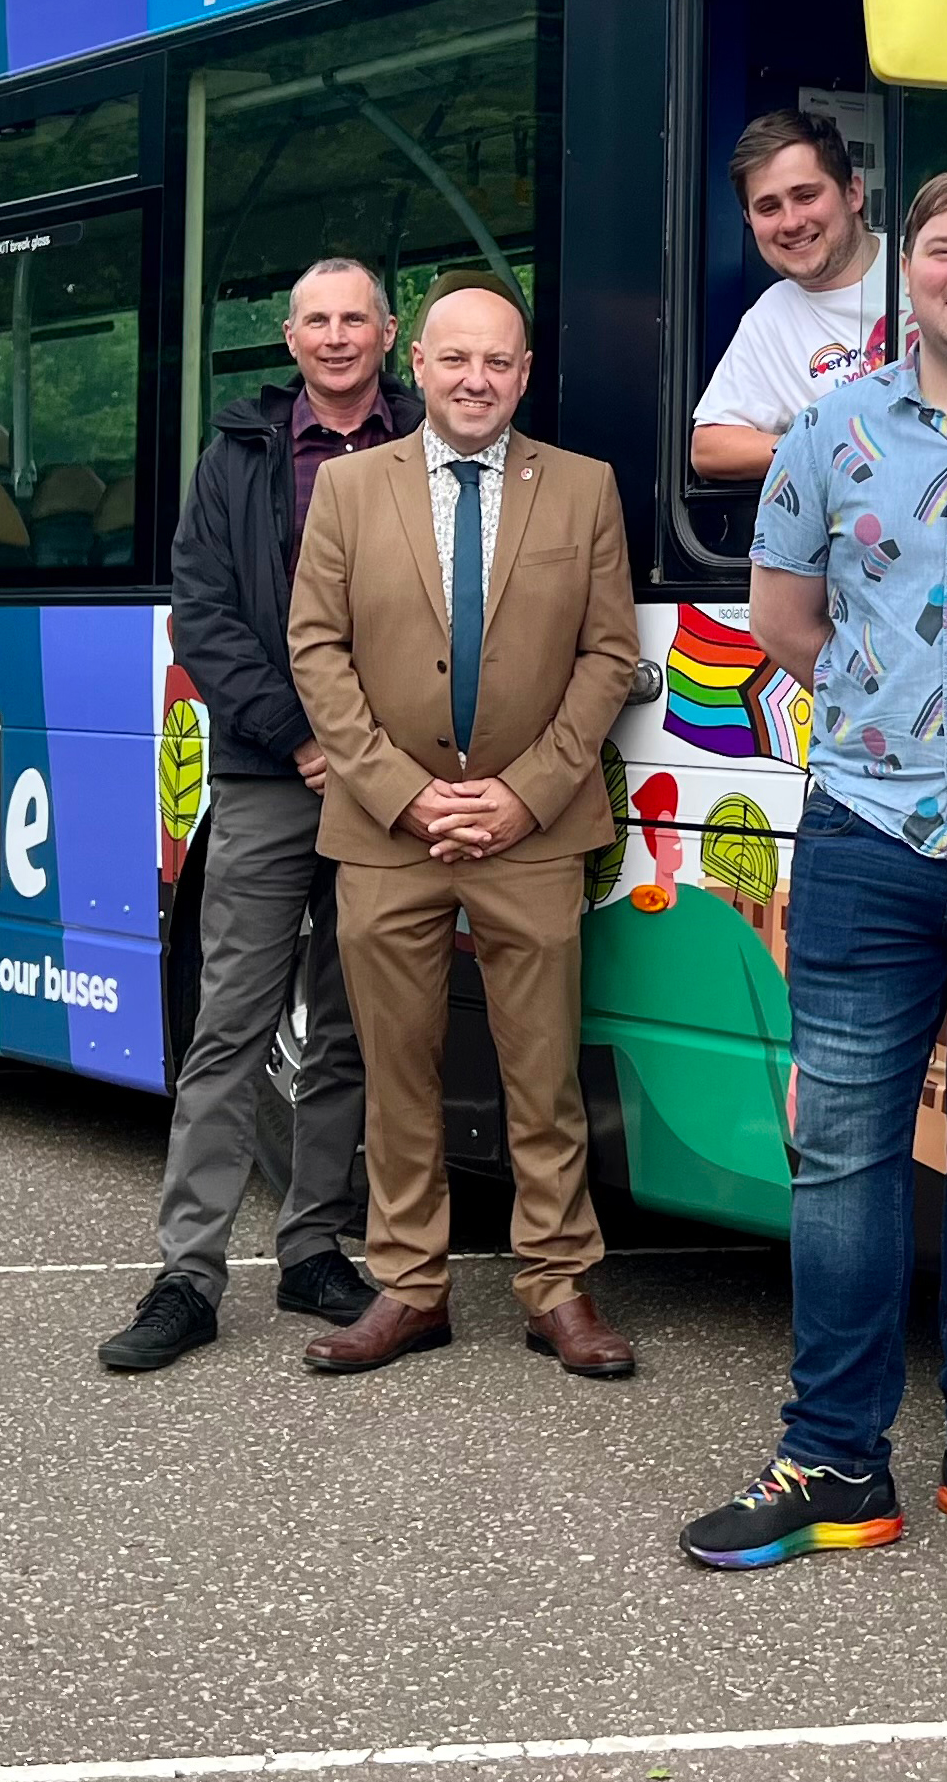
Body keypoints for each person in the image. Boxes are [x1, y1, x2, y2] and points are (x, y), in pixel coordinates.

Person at [681, 168, 947, 1572]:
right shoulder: (829, 425)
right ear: (906, 269)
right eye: (943, 248)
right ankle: (832, 1459)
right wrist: (891, 715)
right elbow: (784, 616)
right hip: (866, 833)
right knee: (841, 1155)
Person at [288, 272, 643, 1377]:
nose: (476, 379)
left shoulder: (584, 489)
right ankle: (410, 1286)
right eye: (454, 359)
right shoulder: (349, 491)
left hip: (532, 830)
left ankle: (556, 1287)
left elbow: (607, 656)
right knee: (398, 1076)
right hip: (386, 830)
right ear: (419, 367)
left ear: (524, 374)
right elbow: (317, 650)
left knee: (541, 1076)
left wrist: (524, 792)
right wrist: (402, 790)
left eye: (498, 360)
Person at [100, 258, 421, 1375]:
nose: (336, 338)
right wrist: (303, 738)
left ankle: (313, 1248)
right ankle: (188, 1274)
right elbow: (205, 616)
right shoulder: (236, 457)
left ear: (388, 333)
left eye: (355, 320)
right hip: (269, 771)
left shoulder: (429, 442)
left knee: (347, 1026)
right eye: (315, 322)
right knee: (233, 1022)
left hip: (393, 777)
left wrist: (375, 754)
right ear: (289, 339)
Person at [690, 109, 887, 482]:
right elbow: (708, 448)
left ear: (853, 193)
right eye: (768, 207)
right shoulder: (771, 316)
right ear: (749, 221)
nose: (792, 221)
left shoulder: (933, 267)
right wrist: (822, 449)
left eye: (806, 195)